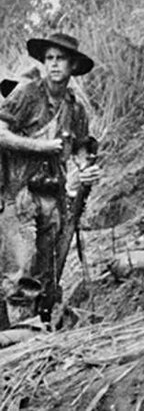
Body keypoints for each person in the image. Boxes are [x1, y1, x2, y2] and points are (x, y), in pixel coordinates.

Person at [0, 33, 102, 326]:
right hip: (19, 194)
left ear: (72, 66)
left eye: (61, 60)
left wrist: (85, 168)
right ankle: (18, 341)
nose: (54, 65)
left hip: (53, 197)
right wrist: (39, 147)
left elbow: (81, 145)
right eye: (50, 59)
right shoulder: (27, 94)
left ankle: (37, 331)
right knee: (19, 272)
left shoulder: (75, 107)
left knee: (47, 271)